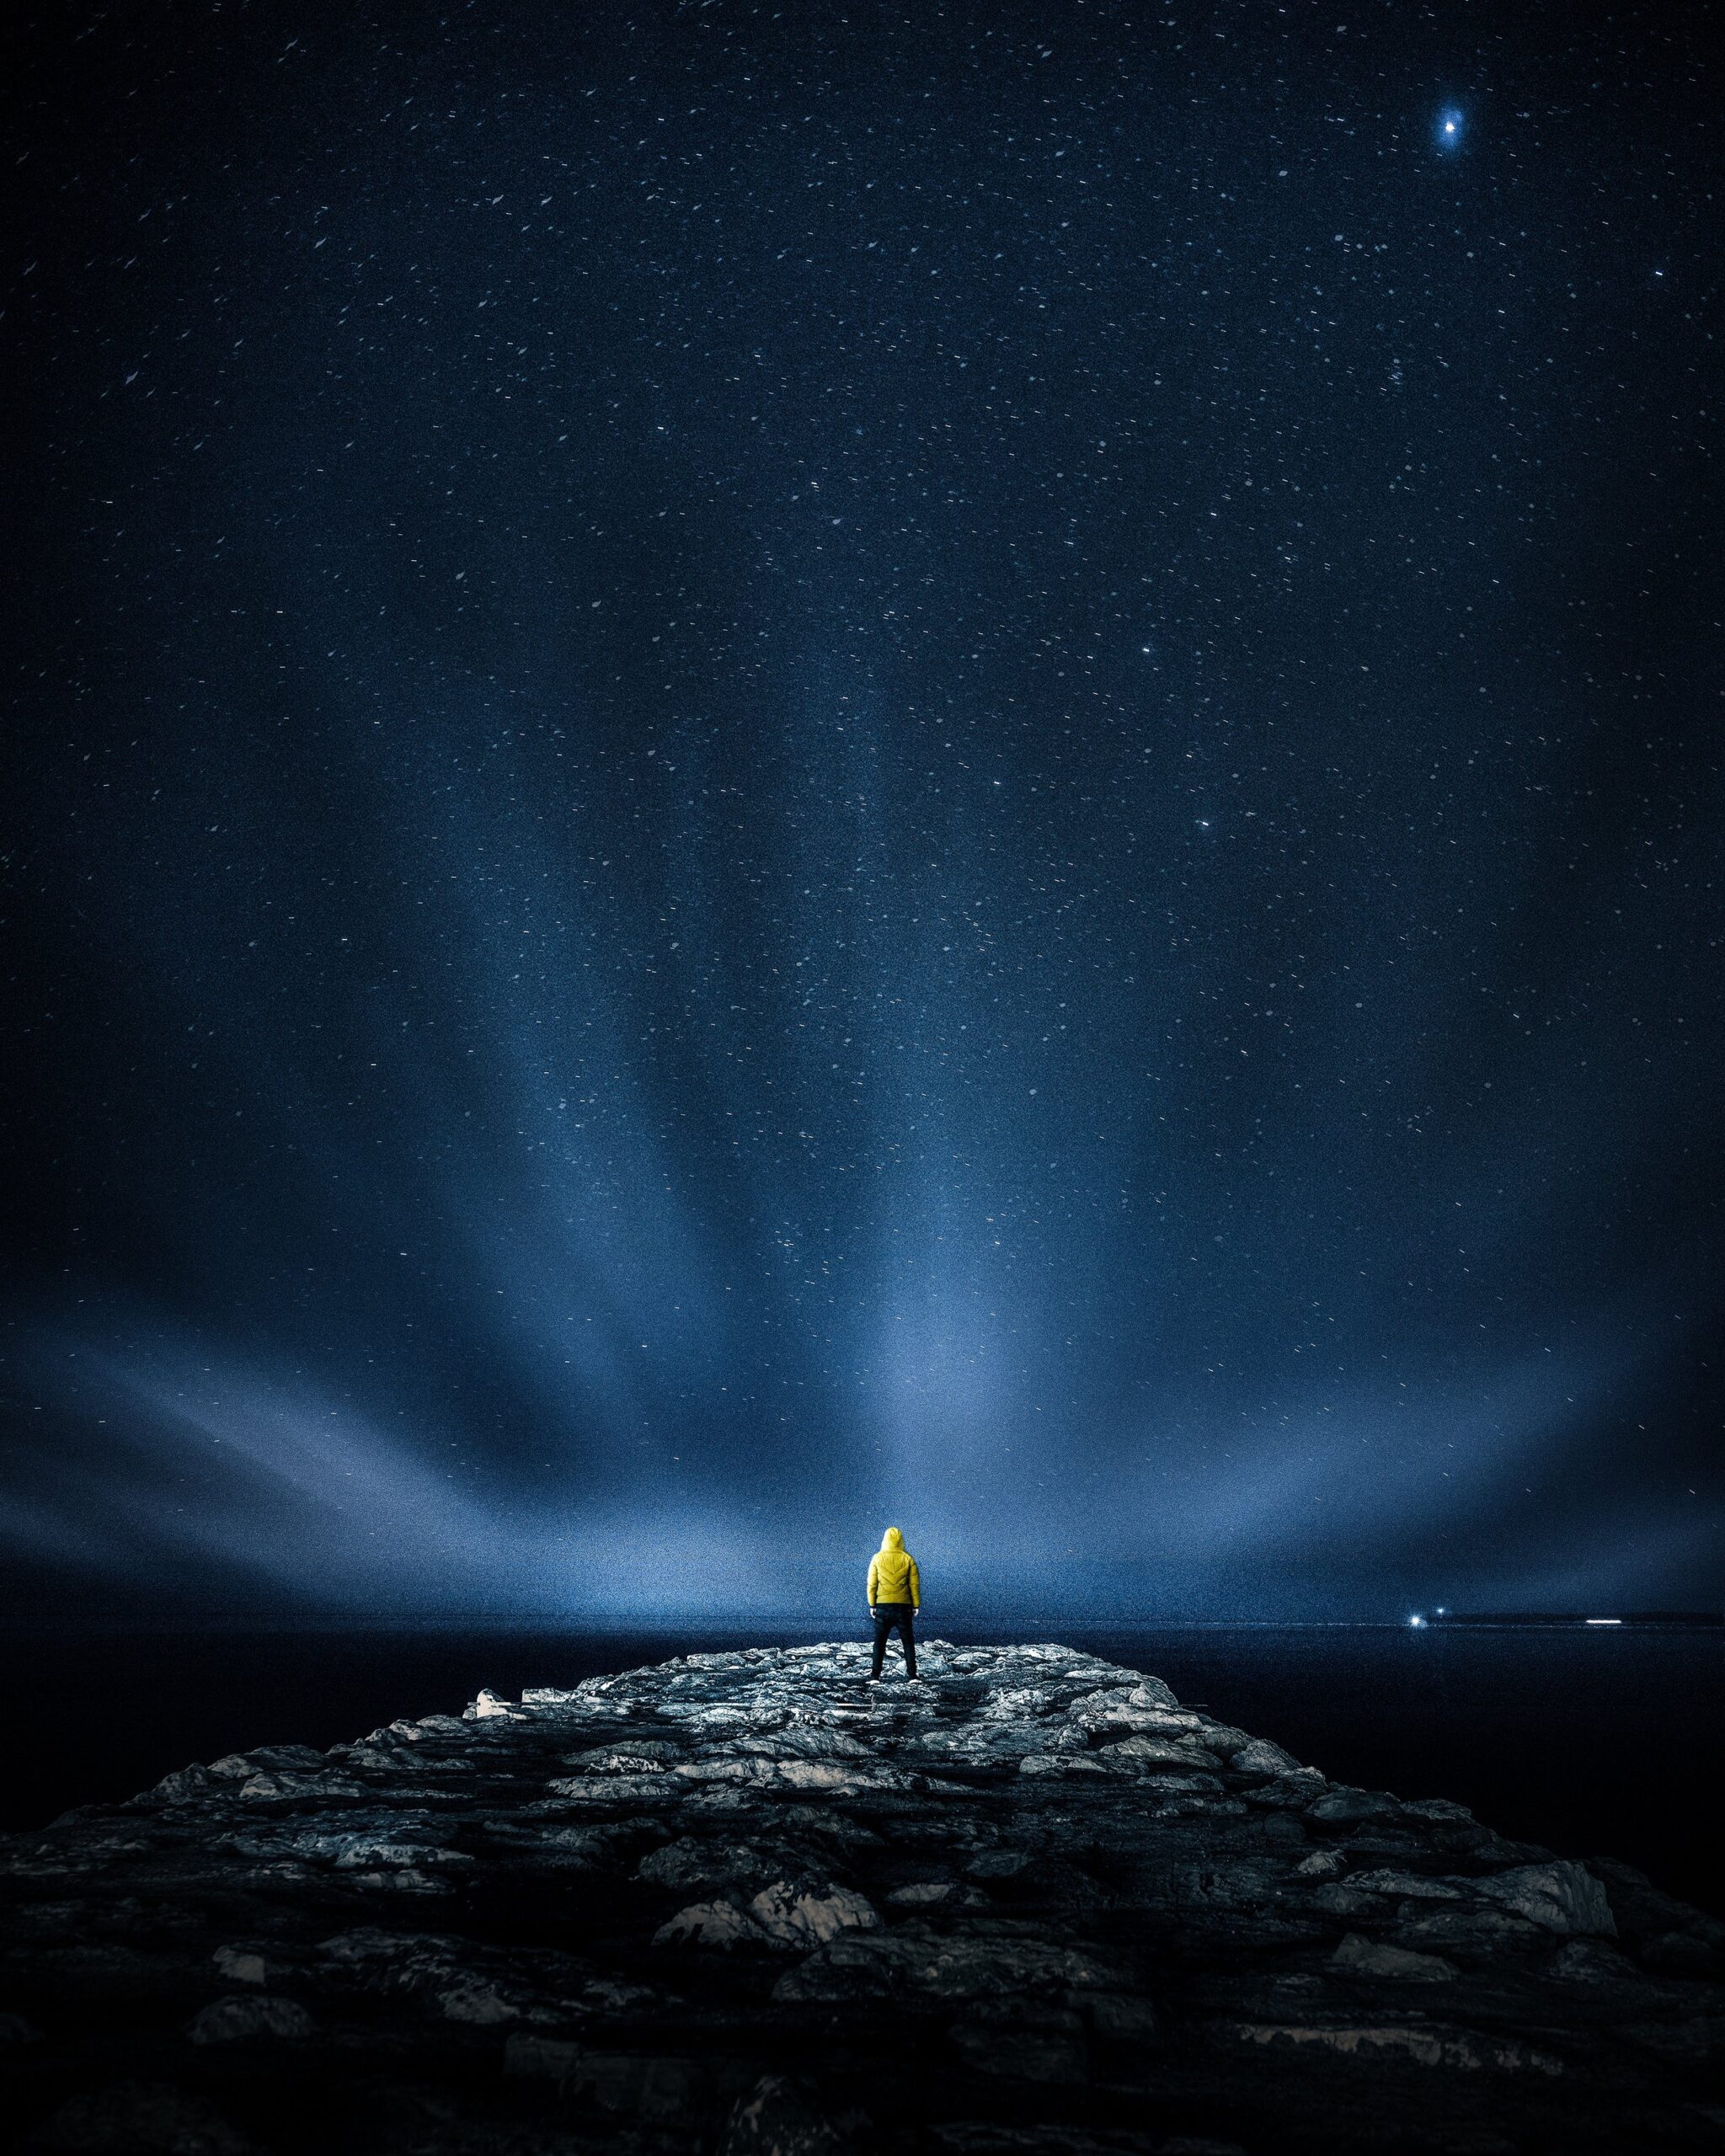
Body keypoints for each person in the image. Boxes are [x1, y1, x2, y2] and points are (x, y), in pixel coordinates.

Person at [866, 1524, 921, 1679]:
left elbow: (872, 1584)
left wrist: (872, 1604)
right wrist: (916, 1604)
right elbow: (914, 1585)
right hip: (903, 1607)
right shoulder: (908, 1559)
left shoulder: (877, 1558)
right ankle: (912, 1676)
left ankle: (875, 1676)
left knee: (879, 1642)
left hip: (883, 1607)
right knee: (908, 1642)